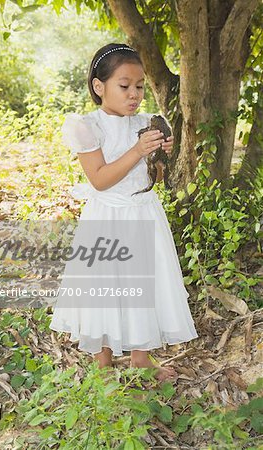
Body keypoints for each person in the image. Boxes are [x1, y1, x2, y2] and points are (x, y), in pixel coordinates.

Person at [50, 43, 199, 382]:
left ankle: (141, 357)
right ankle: (101, 360)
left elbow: (153, 179)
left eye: (140, 86)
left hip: (143, 214)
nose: (134, 94)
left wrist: (158, 156)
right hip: (108, 217)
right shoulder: (88, 127)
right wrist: (137, 150)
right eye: (124, 85)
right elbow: (100, 180)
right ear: (99, 87)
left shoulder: (146, 122)